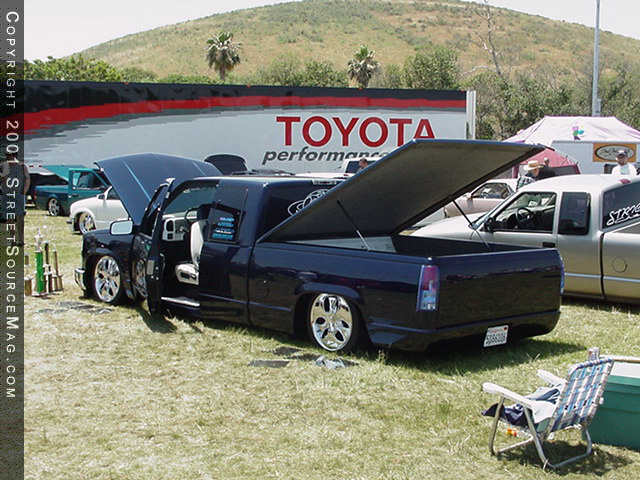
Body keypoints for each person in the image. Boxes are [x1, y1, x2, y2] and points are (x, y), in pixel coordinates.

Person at [0, 152, 30, 246]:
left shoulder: (20, 166)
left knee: (15, 217)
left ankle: (17, 239)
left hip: (14, 194)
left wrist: (24, 191)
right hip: (12, 194)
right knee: (14, 218)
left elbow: (27, 179)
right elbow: (27, 179)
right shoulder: (20, 166)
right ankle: (16, 239)